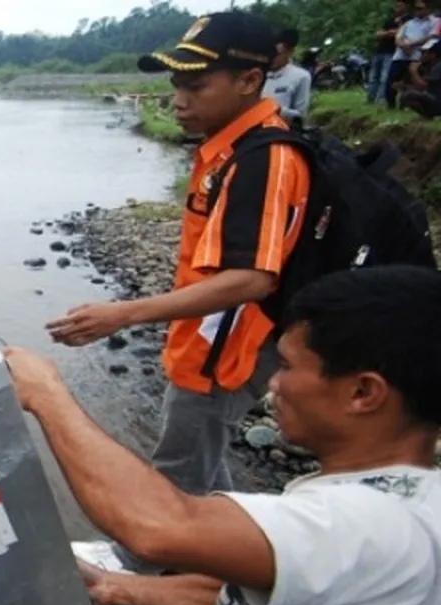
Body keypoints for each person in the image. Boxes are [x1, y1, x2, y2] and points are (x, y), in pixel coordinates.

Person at [3, 264, 441, 605]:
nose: (273, 384)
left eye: (288, 366)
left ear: (363, 392)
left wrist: (46, 394)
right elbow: (255, 595)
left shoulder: (378, 526)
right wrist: (118, 588)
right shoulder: (392, 500)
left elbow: (159, 526)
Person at [51, 12, 311, 575]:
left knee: (178, 459)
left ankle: (134, 571)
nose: (179, 100)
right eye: (177, 85)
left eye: (197, 86)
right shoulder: (228, 148)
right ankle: (241, 555)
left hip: (230, 343)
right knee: (203, 454)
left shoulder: (265, 159)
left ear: (249, 80)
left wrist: (123, 314)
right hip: (210, 332)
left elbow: (253, 279)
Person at [390, 0, 438, 107]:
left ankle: (412, 103)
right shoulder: (409, 23)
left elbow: (432, 37)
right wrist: (403, 45)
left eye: (420, 8)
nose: (417, 11)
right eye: (416, 8)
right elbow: (398, 36)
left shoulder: (435, 21)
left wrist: (411, 45)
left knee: (413, 81)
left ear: (428, 9)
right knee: (392, 81)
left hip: (418, 55)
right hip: (401, 55)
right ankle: (391, 104)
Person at [262, 27, 312, 128]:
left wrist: (277, 110)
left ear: (289, 52)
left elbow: (301, 115)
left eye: (277, 54)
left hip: (282, 131)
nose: (272, 58)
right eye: (269, 54)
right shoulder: (259, 75)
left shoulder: (301, 76)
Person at [371, 0, 410, 104]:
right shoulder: (390, 20)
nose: (397, 7)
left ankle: (381, 98)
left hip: (391, 51)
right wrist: (389, 33)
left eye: (400, 5)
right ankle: (371, 98)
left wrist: (387, 33)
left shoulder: (408, 20)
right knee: (374, 77)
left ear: (405, 6)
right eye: (396, 5)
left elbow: (399, 33)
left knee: (385, 77)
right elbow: (378, 34)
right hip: (380, 50)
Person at [402, 37, 441, 116]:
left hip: (438, 100)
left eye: (425, 53)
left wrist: (414, 72)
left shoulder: (438, 66)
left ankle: (428, 115)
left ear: (433, 54)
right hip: (433, 97)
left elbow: (424, 85)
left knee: (409, 96)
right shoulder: (428, 66)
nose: (422, 55)